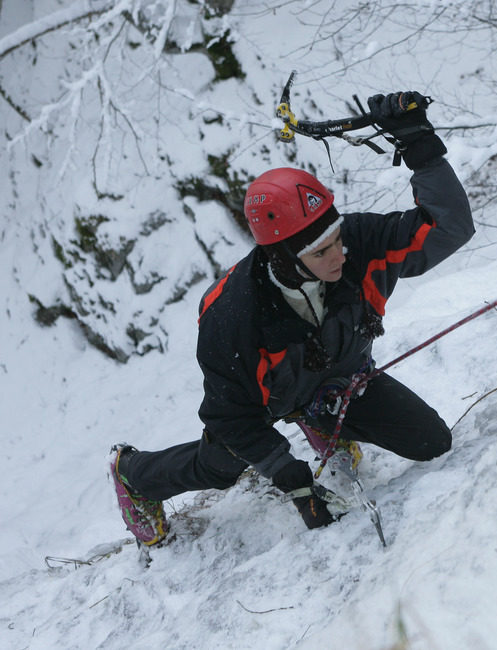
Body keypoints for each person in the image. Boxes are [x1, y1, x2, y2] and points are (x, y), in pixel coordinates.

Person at [109, 91, 474, 546]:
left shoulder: (358, 245)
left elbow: (450, 228)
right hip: (267, 400)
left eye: (338, 237)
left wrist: (419, 144)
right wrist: (293, 479)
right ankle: (134, 475)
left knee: (430, 441)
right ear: (284, 257)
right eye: (320, 252)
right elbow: (232, 420)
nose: (340, 254)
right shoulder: (233, 319)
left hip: (340, 376)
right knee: (220, 467)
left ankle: (320, 414)